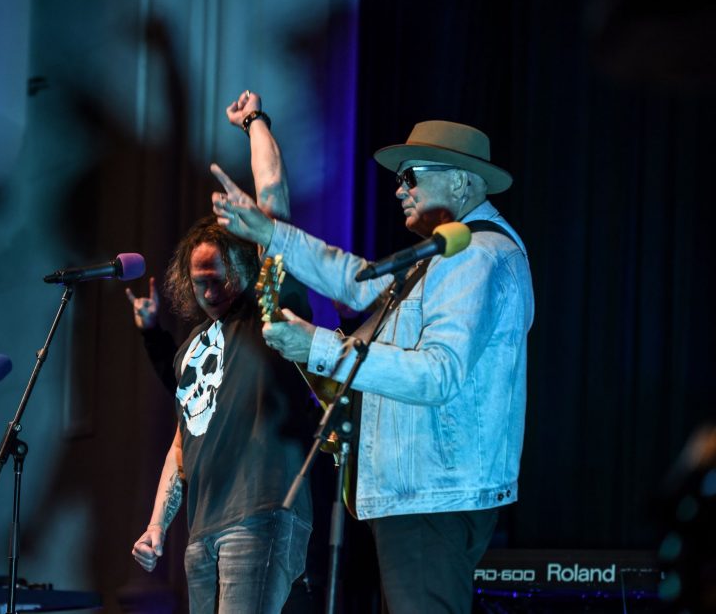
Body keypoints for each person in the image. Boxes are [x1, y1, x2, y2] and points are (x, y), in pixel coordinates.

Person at [211, 119, 534, 613]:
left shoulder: (475, 256)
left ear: (462, 180)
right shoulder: (441, 254)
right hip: (423, 493)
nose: (400, 189)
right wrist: (270, 233)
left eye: (412, 176)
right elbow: (356, 279)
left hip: (432, 493)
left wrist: (318, 348)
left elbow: (438, 374)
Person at [127, 91, 316, 613]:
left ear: (241, 267)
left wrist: (254, 122)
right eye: (197, 282)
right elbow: (183, 440)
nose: (207, 292)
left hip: (261, 512)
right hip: (202, 530)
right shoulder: (191, 345)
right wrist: (156, 526)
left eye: (215, 278)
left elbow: (274, 199)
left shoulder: (268, 308)